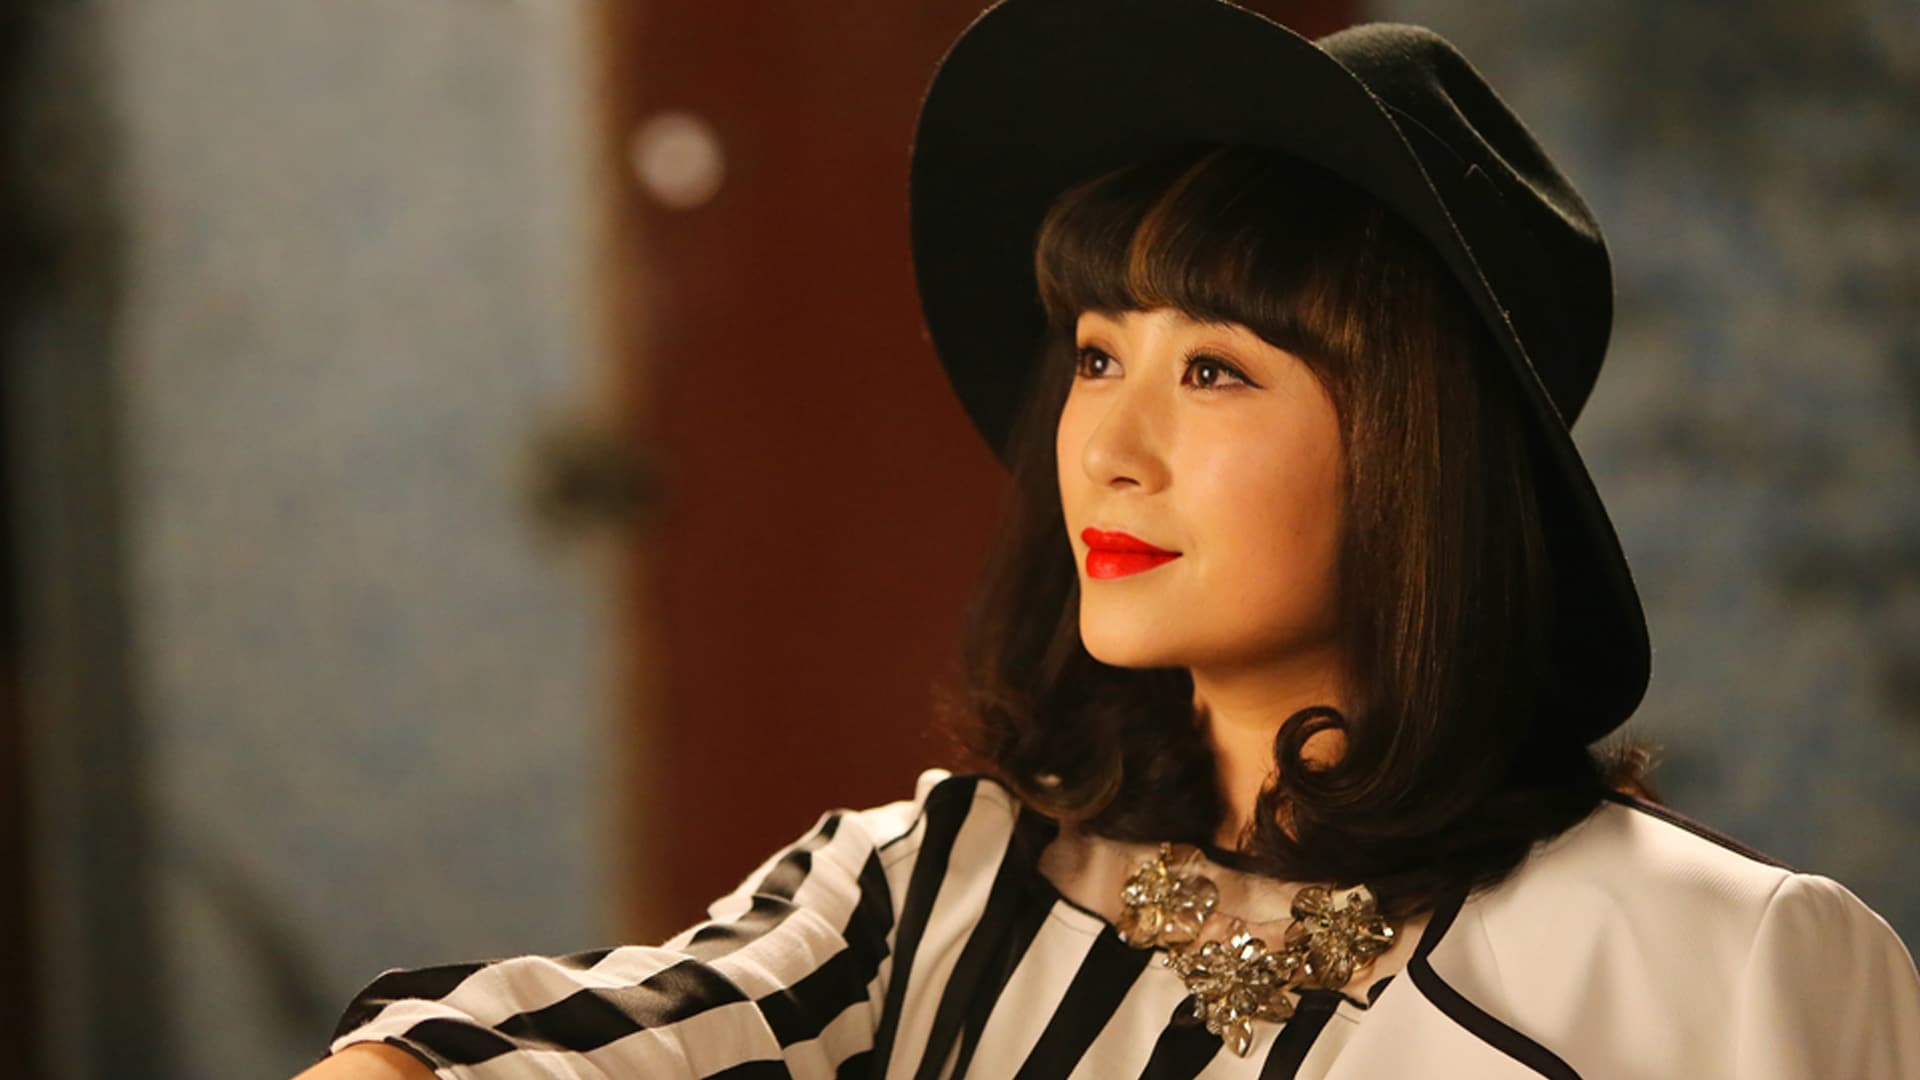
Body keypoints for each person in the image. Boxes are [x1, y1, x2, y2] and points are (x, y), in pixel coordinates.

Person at [297, 0, 1920, 1076]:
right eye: (1092, 357)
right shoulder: (933, 880)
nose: (1107, 450)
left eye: (1214, 370)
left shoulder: (1722, 966)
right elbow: (599, 1039)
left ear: (1415, 458)